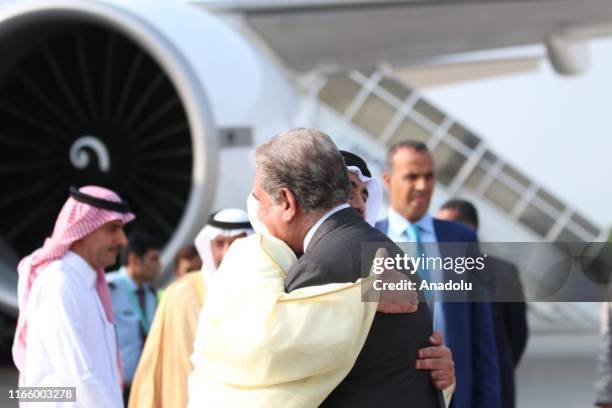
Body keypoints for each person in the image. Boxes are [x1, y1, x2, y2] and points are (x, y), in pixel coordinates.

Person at [248, 128, 452, 407]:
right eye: (348, 191)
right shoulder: (382, 251)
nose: (357, 203)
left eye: (364, 194)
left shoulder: (323, 265)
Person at [375, 140, 501, 408]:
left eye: (428, 176)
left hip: (455, 395)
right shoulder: (371, 239)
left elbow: (483, 337)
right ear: (388, 180)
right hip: (392, 394)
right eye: (411, 176)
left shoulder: (462, 239)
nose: (422, 186)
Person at [12, 185, 134, 407]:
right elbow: (79, 374)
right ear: (82, 231)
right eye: (113, 229)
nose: (122, 240)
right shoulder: (59, 282)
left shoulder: (86, 284)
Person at [128, 209, 252, 408]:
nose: (226, 252)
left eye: (236, 243)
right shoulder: (178, 294)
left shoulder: (264, 292)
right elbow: (154, 365)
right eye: (219, 243)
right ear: (208, 245)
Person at [438, 199, 528, 408]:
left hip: (493, 383)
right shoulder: (437, 270)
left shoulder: (503, 272)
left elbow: (517, 332)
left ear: (470, 229)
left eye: (448, 224)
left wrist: (497, 366)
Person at [107, 232, 162, 403]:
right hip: (115, 388)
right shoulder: (108, 289)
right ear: (135, 259)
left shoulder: (151, 294)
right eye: (154, 259)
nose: (160, 265)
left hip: (143, 387)